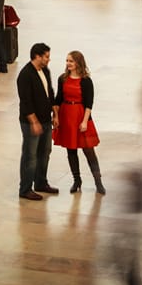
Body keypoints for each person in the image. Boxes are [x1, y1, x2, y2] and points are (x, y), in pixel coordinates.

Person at [53, 50, 104, 194]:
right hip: (67, 115)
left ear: (78, 63)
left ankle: (98, 181)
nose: (68, 63)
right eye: (67, 61)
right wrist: (55, 116)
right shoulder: (62, 79)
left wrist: (85, 121)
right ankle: (77, 180)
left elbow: (89, 103)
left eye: (71, 61)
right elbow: (58, 98)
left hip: (81, 116)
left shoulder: (86, 81)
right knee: (71, 150)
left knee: (89, 151)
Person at [18, 43, 56, 200]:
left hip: (46, 119)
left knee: (45, 152)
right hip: (31, 122)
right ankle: (25, 188)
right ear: (37, 56)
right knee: (30, 155)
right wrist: (34, 121)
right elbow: (25, 101)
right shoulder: (25, 75)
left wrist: (56, 114)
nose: (49, 59)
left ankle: (40, 182)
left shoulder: (45, 70)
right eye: (46, 56)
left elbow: (50, 93)